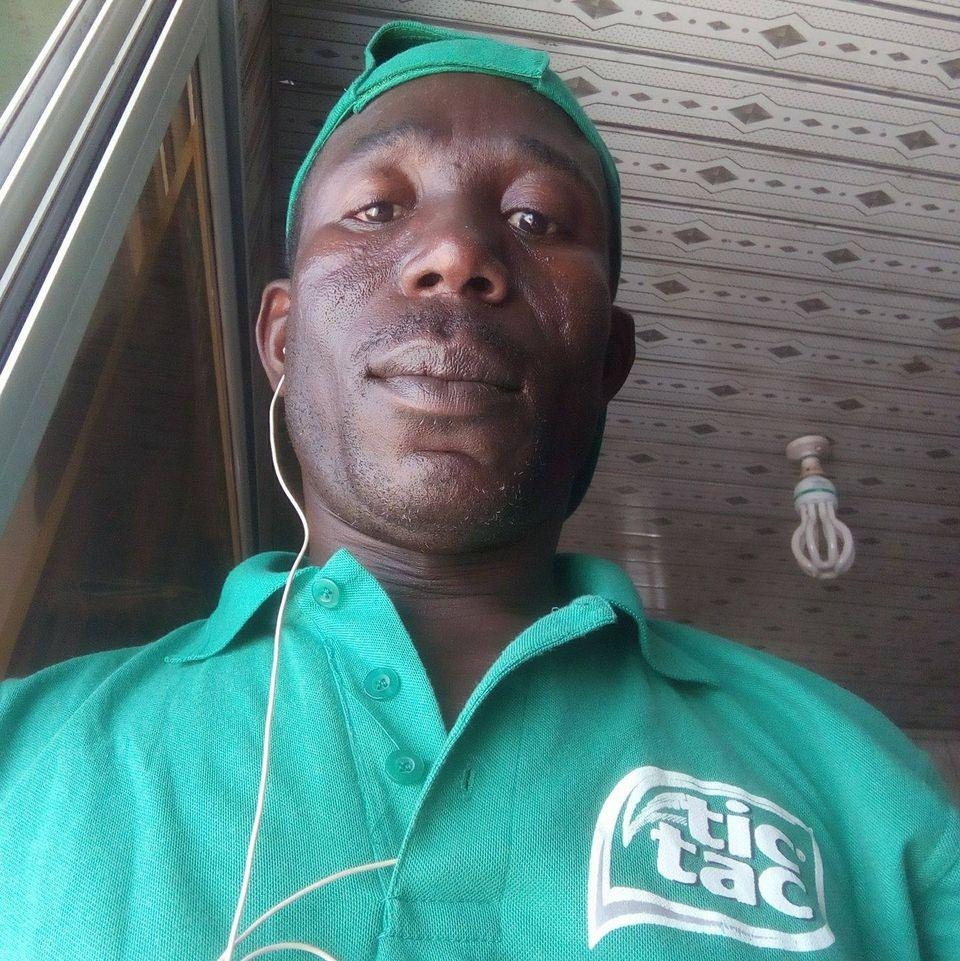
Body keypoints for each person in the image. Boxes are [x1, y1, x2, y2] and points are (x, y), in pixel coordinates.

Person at [0, 20, 956, 961]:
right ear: (282, 337)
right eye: (376, 209)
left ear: (608, 356)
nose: (455, 256)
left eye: (536, 219)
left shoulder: (861, 785)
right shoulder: (24, 750)